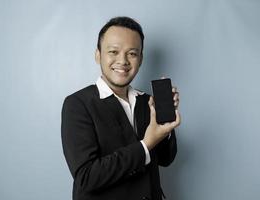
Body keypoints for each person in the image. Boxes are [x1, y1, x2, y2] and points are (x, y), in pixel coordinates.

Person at [61, 16, 181, 200]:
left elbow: (165, 159)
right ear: (98, 55)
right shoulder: (77, 104)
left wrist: (166, 126)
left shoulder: (148, 102)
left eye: (132, 53)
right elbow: (87, 177)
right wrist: (146, 144)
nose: (123, 61)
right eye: (113, 51)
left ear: (140, 59)